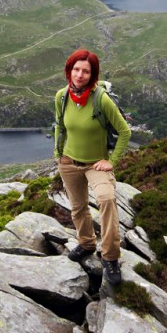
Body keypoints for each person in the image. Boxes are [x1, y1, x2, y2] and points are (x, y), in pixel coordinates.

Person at [54, 49, 131, 286]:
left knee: (106, 200)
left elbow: (125, 132)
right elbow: (60, 125)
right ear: (69, 70)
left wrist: (111, 161)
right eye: (76, 69)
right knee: (77, 208)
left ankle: (110, 256)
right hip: (68, 162)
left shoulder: (101, 99)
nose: (79, 75)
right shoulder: (62, 96)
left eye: (85, 71)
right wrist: (58, 154)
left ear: (92, 74)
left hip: (96, 164)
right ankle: (86, 243)